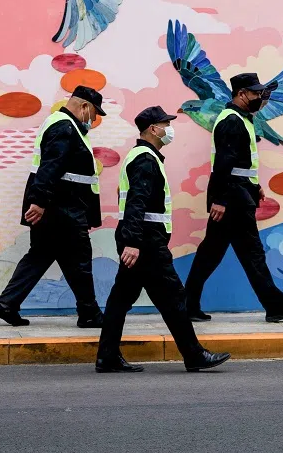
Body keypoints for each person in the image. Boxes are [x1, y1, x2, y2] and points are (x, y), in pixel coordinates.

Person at [96, 106, 231, 373]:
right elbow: (136, 202)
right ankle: (194, 355)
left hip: (139, 238)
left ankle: (107, 356)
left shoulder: (144, 157)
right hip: (145, 242)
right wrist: (133, 242)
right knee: (173, 297)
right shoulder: (145, 159)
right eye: (165, 123)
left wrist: (130, 240)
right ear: (152, 129)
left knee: (121, 298)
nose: (169, 128)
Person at [185, 73, 283, 323]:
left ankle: (186, 304)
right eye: (255, 93)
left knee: (213, 254)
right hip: (233, 199)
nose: (259, 97)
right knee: (248, 254)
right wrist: (220, 199)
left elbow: (240, 162)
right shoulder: (232, 121)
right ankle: (275, 305)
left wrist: (255, 185)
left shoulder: (242, 119)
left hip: (239, 193)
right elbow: (224, 164)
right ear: (241, 94)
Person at [0, 86, 106, 328]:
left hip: (59, 207)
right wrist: (40, 201)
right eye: (94, 113)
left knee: (42, 255)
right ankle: (89, 313)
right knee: (80, 259)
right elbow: (51, 166)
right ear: (84, 106)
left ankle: (7, 304)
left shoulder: (65, 125)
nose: (94, 119)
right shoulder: (64, 127)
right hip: (62, 208)